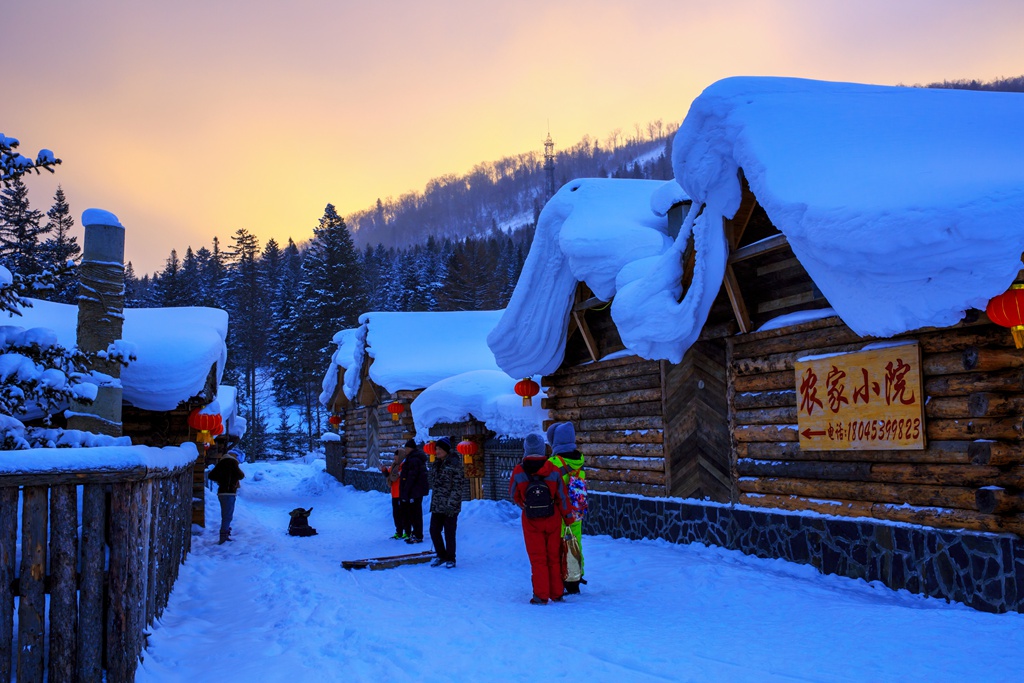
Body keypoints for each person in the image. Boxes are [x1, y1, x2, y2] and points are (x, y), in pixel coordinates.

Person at [510, 433, 575, 605]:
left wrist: (524, 505)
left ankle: (541, 595)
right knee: (554, 557)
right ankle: (557, 593)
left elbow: (513, 494)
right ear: (542, 449)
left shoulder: (518, 470)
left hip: (531, 520)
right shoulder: (553, 470)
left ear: (526, 449)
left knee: (538, 558)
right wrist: (568, 518)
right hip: (552, 517)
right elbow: (562, 496)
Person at [547, 422, 587, 593]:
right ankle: (576, 576)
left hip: (559, 511)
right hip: (577, 510)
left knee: (559, 545)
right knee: (575, 542)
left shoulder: (554, 463)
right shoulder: (579, 460)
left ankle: (563, 577)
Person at [427, 436, 464, 568]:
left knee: (449, 532)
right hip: (438, 504)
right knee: (433, 530)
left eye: (439, 449)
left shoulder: (454, 464)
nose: (437, 451)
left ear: (446, 450)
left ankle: (451, 558)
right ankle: (441, 555)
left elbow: (457, 486)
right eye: (436, 449)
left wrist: (451, 504)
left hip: (450, 505)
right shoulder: (436, 464)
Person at [208, 448, 245, 544]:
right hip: (229, 492)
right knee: (227, 515)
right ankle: (223, 536)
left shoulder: (221, 463)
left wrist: (221, 480)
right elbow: (241, 475)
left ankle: (224, 534)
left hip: (221, 492)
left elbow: (211, 476)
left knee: (226, 514)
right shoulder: (233, 463)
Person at [399, 438, 429, 543]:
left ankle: (417, 535)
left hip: (414, 491)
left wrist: (406, 491)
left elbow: (411, 476)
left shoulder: (414, 460)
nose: (405, 450)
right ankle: (415, 533)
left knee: (415, 514)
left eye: (406, 448)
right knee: (413, 513)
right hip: (415, 490)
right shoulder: (412, 458)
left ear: (410, 448)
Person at [381, 448, 408, 539]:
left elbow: (397, 477)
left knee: (403, 514)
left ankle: (406, 531)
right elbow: (389, 476)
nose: (395, 457)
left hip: (402, 493)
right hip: (394, 494)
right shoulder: (393, 466)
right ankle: (398, 531)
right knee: (396, 514)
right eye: (394, 455)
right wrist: (384, 471)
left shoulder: (404, 466)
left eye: (396, 455)